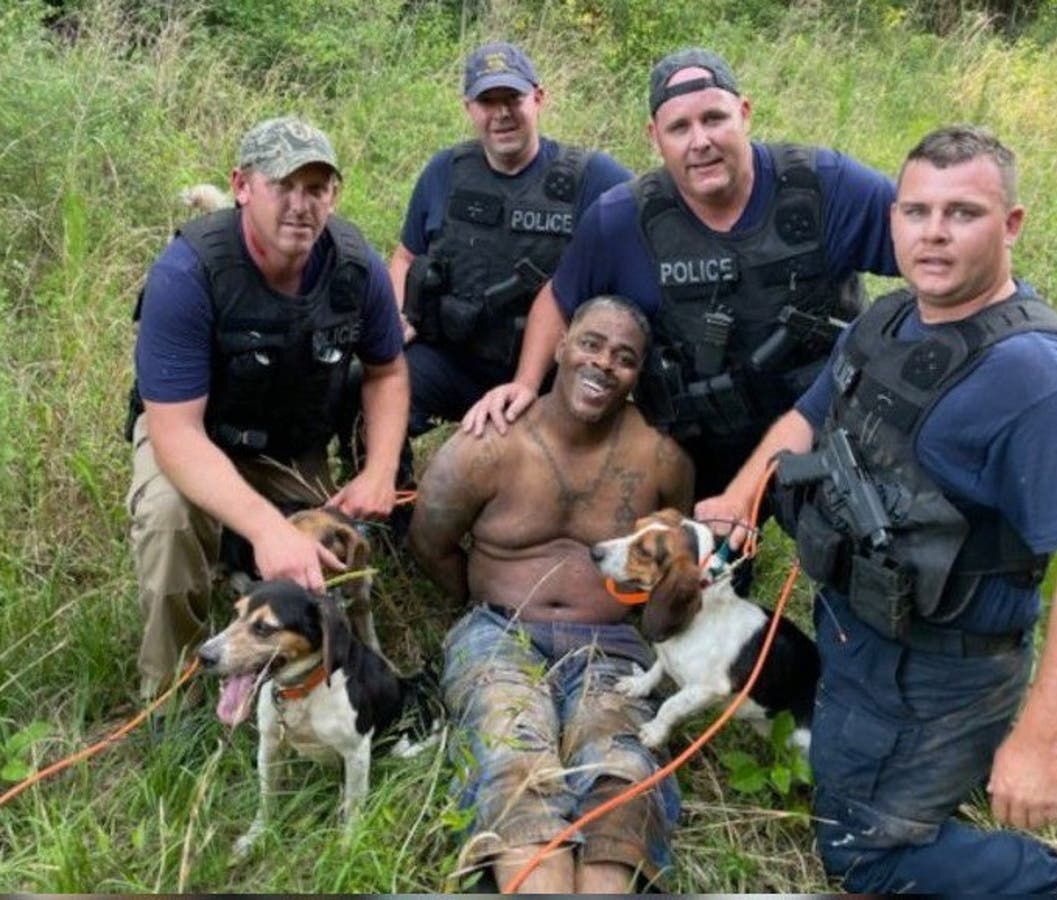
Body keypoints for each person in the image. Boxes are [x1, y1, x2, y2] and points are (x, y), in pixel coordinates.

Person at [697, 125, 1057, 893]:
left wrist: (1043, 740)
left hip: (936, 666)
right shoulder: (887, 321)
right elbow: (808, 416)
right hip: (859, 632)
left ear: (1011, 224)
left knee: (863, 851)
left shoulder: (1037, 378)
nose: (934, 234)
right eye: (916, 211)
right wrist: (739, 494)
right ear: (892, 220)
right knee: (838, 760)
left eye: (963, 213)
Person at [463, 46, 898, 501]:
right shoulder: (620, 219)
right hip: (703, 442)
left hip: (823, 425)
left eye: (714, 119)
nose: (700, 141)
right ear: (654, 137)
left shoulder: (826, 186)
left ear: (744, 113)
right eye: (679, 127)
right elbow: (559, 298)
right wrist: (526, 383)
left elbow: (936, 256)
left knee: (864, 542)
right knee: (681, 567)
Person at [408, 296, 693, 893]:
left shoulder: (661, 457)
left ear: (639, 373)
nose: (603, 365)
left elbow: (672, 557)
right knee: (511, 749)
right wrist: (483, 606)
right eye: (590, 344)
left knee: (622, 765)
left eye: (624, 358)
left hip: (610, 645)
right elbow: (430, 541)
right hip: (498, 630)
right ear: (560, 345)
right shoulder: (489, 442)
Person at [127, 116, 408, 699]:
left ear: (334, 194)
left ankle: (342, 687)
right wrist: (265, 530)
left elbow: (387, 372)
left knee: (330, 550)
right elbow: (175, 434)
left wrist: (379, 471)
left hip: (290, 446)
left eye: (316, 189)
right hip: (197, 438)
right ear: (241, 185)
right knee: (170, 520)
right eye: (283, 186)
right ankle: (168, 694)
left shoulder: (357, 269)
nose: (300, 205)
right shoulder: (189, 273)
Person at [391, 41, 633, 440]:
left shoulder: (592, 177)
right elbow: (405, 255)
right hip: (455, 359)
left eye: (513, 98)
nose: (502, 113)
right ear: (469, 107)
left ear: (538, 99)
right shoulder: (444, 172)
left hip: (550, 377)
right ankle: (390, 494)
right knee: (373, 383)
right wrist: (399, 315)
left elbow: (652, 213)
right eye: (488, 101)